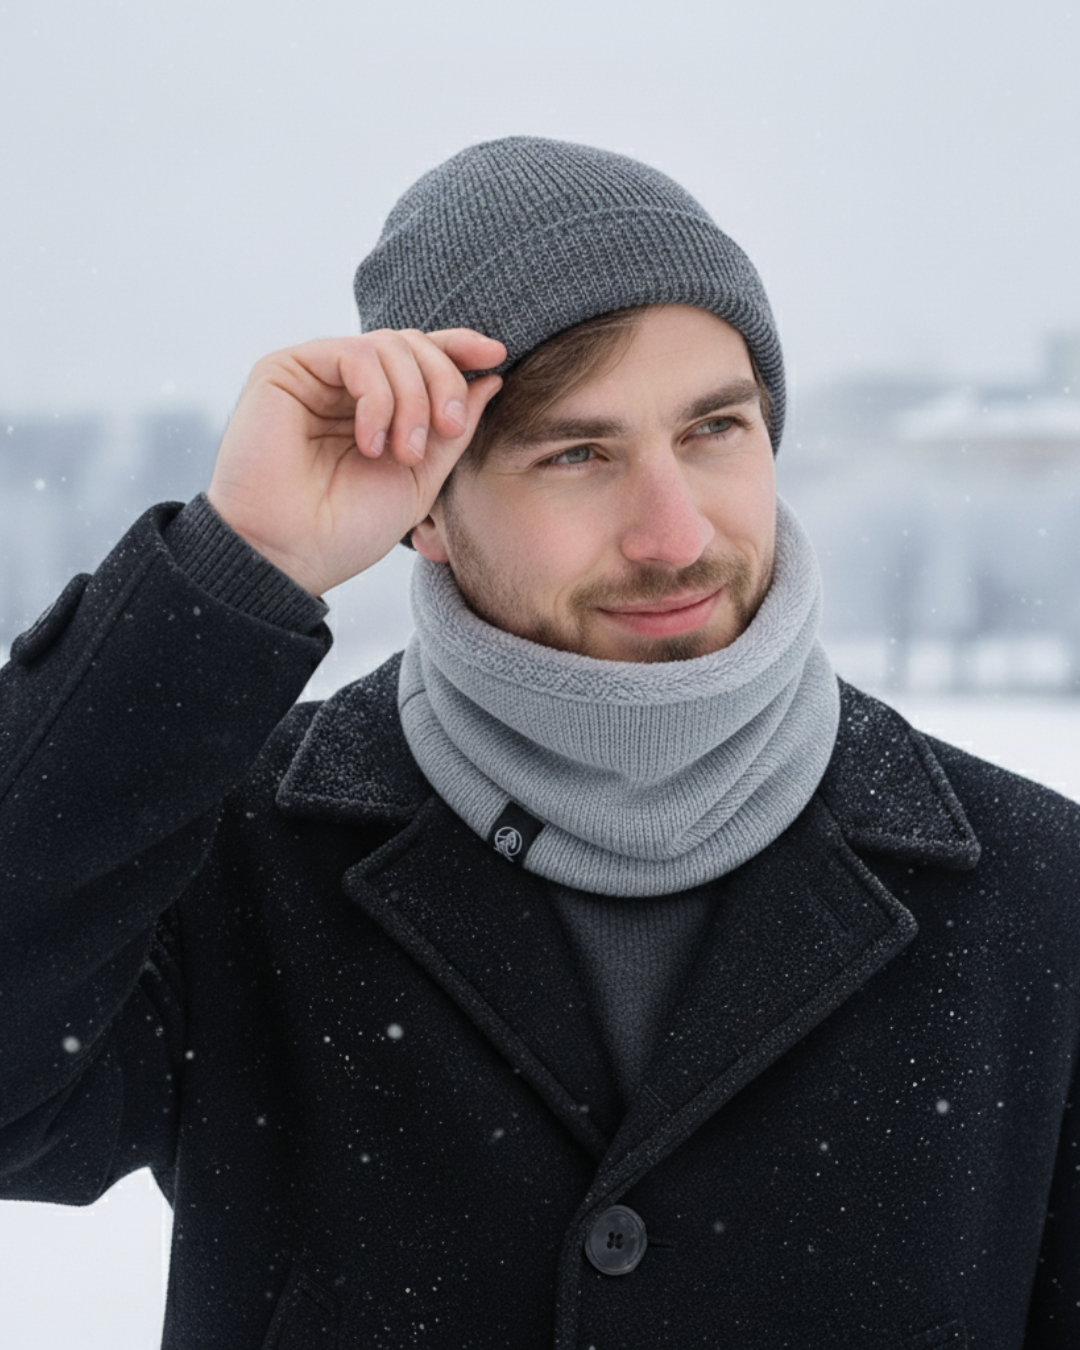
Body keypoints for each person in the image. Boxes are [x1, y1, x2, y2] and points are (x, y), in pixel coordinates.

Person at [0, 137, 1077, 1350]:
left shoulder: (1039, 890)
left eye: (714, 430)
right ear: (427, 510)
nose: (674, 535)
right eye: (576, 453)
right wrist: (240, 559)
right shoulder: (234, 858)